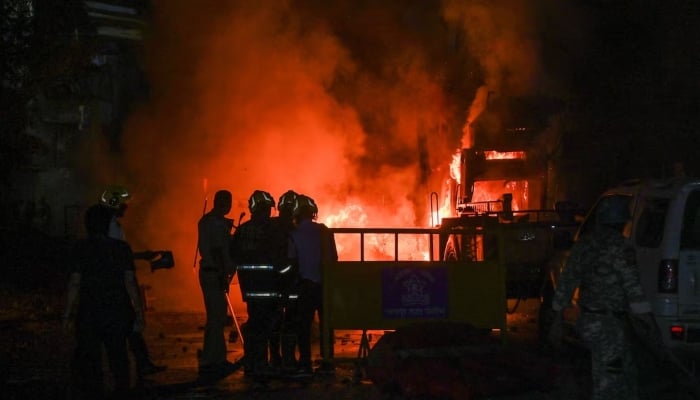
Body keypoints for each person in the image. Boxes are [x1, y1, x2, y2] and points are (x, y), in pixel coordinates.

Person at [547, 196, 652, 400]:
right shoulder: (621, 247)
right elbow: (634, 290)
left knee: (625, 373)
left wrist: (557, 319)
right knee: (610, 381)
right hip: (610, 327)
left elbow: (566, 282)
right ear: (622, 221)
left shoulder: (584, 245)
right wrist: (648, 322)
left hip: (589, 321)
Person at [62, 204, 143, 398]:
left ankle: (94, 392)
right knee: (118, 357)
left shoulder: (80, 248)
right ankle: (122, 392)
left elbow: (74, 283)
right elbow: (130, 282)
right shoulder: (121, 248)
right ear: (107, 224)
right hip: (117, 311)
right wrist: (139, 313)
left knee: (90, 360)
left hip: (89, 312)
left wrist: (67, 315)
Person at [98, 185, 167, 378]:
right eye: (124, 203)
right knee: (128, 322)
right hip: (118, 281)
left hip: (115, 279)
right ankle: (129, 369)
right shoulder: (112, 226)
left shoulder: (108, 225)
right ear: (114, 203)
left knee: (130, 324)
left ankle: (142, 363)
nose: (126, 207)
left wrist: (142, 256)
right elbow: (116, 255)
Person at [230, 190, 289, 380]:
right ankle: (263, 364)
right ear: (262, 208)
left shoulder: (242, 230)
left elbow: (234, 256)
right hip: (269, 285)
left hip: (249, 286)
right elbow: (280, 259)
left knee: (254, 323)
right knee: (268, 325)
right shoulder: (271, 230)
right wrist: (288, 279)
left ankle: (251, 363)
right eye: (267, 208)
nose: (270, 212)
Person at [288, 194, 338, 376]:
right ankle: (328, 361)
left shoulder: (293, 235)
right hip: (325, 284)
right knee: (326, 323)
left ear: (297, 213)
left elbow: (292, 262)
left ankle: (305, 363)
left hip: (305, 285)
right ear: (313, 212)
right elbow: (334, 258)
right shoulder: (325, 231)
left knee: (304, 325)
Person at [196, 189, 240, 380]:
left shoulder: (207, 220)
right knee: (217, 318)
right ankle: (216, 361)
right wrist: (224, 273)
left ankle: (209, 358)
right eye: (228, 202)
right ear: (224, 203)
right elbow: (218, 250)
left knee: (214, 318)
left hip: (210, 273)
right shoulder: (217, 222)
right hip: (214, 273)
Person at [274, 190, 300, 374]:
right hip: (291, 283)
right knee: (291, 322)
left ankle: (274, 359)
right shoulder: (296, 230)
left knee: (272, 321)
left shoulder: (269, 227)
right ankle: (289, 360)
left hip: (271, 283)